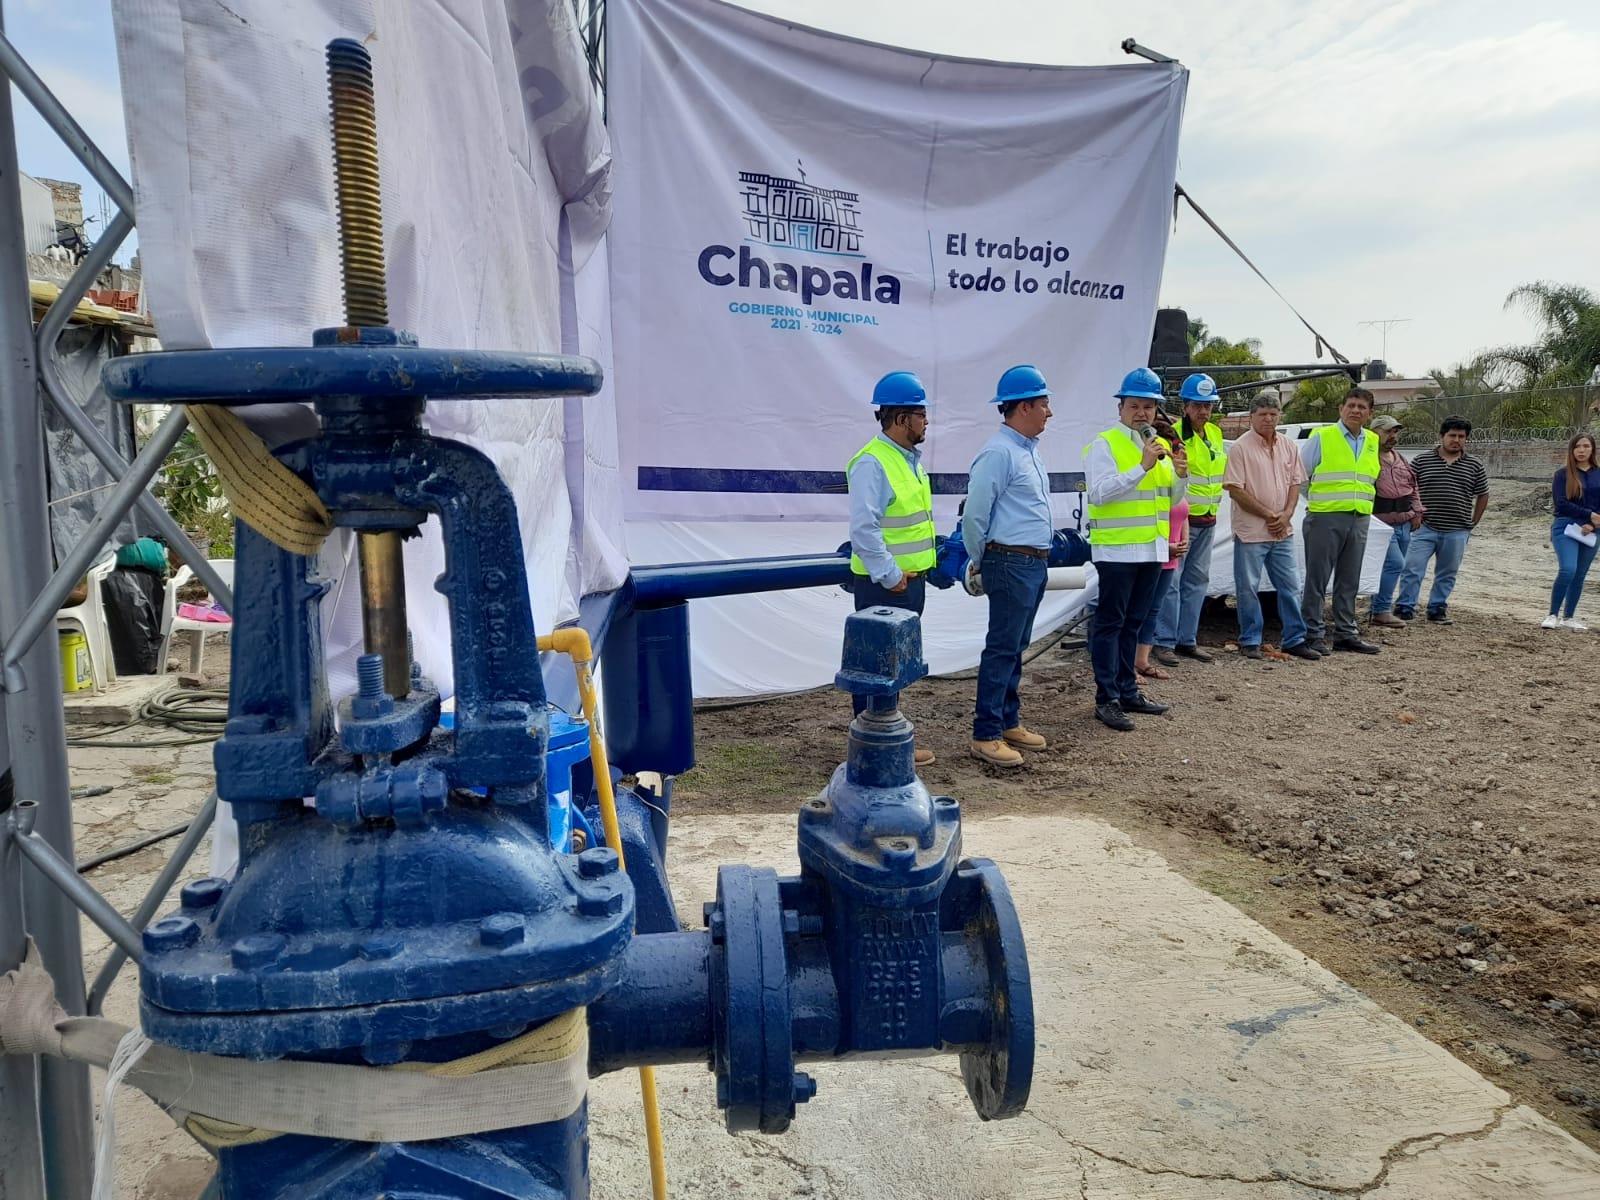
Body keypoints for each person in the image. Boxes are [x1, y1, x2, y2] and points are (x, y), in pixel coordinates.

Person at [1083, 367, 1188, 731]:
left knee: (1133, 624)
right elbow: (1099, 493)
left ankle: (1128, 690)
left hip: (1151, 550)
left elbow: (1168, 500)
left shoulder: (1157, 445)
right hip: (1117, 551)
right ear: (1120, 408)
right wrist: (1142, 467)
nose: (1142, 413)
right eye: (1134, 406)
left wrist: (1180, 475)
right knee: (1110, 624)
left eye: (1148, 407)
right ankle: (1106, 698)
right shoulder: (1105, 443)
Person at [963, 364, 1055, 767]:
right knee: (1003, 648)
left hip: (1029, 563)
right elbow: (975, 515)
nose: (1049, 412)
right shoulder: (999, 452)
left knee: (1015, 646)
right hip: (1010, 562)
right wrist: (981, 561)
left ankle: (1007, 720)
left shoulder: (1025, 452)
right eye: (1044, 404)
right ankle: (985, 734)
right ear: (1023, 407)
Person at [847, 370, 937, 766]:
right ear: (901, 418)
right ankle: (875, 748)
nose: (926, 421)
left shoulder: (906, 460)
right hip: (885, 586)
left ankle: (885, 743)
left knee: (893, 667)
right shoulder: (873, 462)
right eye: (921, 414)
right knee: (877, 668)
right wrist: (890, 574)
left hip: (906, 583)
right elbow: (864, 528)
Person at [1222, 393, 1320, 661]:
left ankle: (1294, 639)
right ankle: (1250, 640)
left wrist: (1286, 514)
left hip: (1282, 531)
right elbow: (1235, 491)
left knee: (1290, 586)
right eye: (1263, 414)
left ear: (1280, 417)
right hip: (1252, 531)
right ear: (1252, 416)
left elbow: (1295, 483)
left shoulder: (1288, 445)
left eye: (1273, 414)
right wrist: (1270, 516)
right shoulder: (1241, 448)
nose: (1268, 419)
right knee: (1248, 588)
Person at [1150, 372, 1225, 666]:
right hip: (1182, 520)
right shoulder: (1173, 436)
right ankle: (1164, 641)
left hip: (1208, 518)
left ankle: (1187, 639)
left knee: (1197, 581)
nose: (1203, 411)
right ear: (1185, 407)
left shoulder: (1216, 434)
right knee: (1172, 581)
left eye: (1208, 405)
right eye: (1197, 405)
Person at [1299, 387, 1380, 655]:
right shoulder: (1322, 437)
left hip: (1359, 518)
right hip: (1325, 517)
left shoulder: (1372, 441)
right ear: (1341, 409)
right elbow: (1301, 476)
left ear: (1370, 414)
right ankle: (1313, 633)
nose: (1356, 410)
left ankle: (1346, 633)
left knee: (1349, 580)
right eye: (1351, 405)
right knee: (1317, 579)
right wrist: (1320, 504)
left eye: (1362, 407)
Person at [1395, 417, 1490, 625]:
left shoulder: (1474, 465)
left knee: (1447, 572)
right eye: (1452, 435)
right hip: (1424, 527)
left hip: (1457, 529)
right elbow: (1408, 489)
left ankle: (1437, 608)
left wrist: (1474, 522)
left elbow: (1483, 494)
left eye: (1461, 436)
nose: (1456, 440)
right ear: (1441, 436)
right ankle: (1405, 607)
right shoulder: (1421, 461)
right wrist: (1412, 515)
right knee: (1412, 568)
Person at [1135, 415, 1189, 681]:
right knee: (1138, 609)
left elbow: (1181, 509)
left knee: (1153, 609)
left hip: (1171, 553)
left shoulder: (1170, 474)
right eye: (1160, 447)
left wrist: (1183, 539)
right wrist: (1165, 546)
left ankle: (1142, 660)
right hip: (1153, 551)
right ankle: (1127, 663)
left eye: (1169, 448)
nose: (1165, 453)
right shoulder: (1147, 476)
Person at [1368, 414, 1426, 629]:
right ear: (1374, 432)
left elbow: (1413, 486)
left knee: (1393, 567)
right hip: (1381, 523)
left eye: (1395, 431)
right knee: (1395, 564)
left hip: (1404, 522)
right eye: (1388, 431)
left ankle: (1377, 608)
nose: (1393, 436)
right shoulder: (1368, 458)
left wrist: (1417, 511)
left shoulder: (1399, 458)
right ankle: (1381, 610)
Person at [1543, 432, 1600, 631]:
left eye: (1586, 446)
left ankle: (1569, 617)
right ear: (1571, 450)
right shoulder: (1563, 474)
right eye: (1577, 447)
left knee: (1580, 574)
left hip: (1593, 530)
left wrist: (1592, 523)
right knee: (1568, 569)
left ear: (1593, 448)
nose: (1581, 450)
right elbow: (1561, 503)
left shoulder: (1598, 473)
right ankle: (1552, 614)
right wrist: (1588, 515)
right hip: (1566, 526)